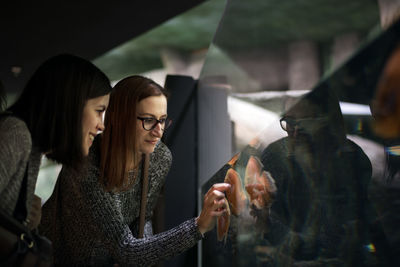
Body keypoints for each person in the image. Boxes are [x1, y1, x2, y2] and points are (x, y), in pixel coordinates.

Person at [40, 75, 230, 266]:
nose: (158, 131)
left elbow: (142, 220)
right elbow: (126, 249)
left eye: (163, 120)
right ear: (121, 118)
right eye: (148, 120)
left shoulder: (159, 158)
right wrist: (198, 227)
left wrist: (141, 254)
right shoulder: (84, 165)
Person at [259, 87, 378, 266]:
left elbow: (342, 238)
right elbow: (266, 226)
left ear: (327, 124)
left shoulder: (352, 160)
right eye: (289, 123)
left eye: (306, 126)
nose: (295, 133)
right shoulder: (274, 158)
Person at [0, 54, 112, 230]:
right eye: (99, 111)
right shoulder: (16, 134)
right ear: (71, 105)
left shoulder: (30, 145)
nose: (101, 126)